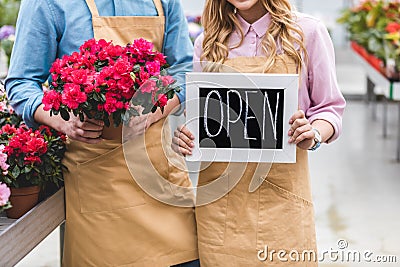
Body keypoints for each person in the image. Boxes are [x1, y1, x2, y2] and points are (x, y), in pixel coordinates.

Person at [6, 0, 200, 266]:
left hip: (161, 177)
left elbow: (184, 70)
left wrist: (153, 110)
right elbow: (22, 83)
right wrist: (63, 121)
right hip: (97, 186)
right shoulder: (48, 3)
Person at [172, 0, 346, 266]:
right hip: (220, 206)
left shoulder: (307, 32)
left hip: (282, 201)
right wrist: (186, 136)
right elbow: (200, 118)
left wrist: (314, 133)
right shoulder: (208, 41)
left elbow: (329, 108)